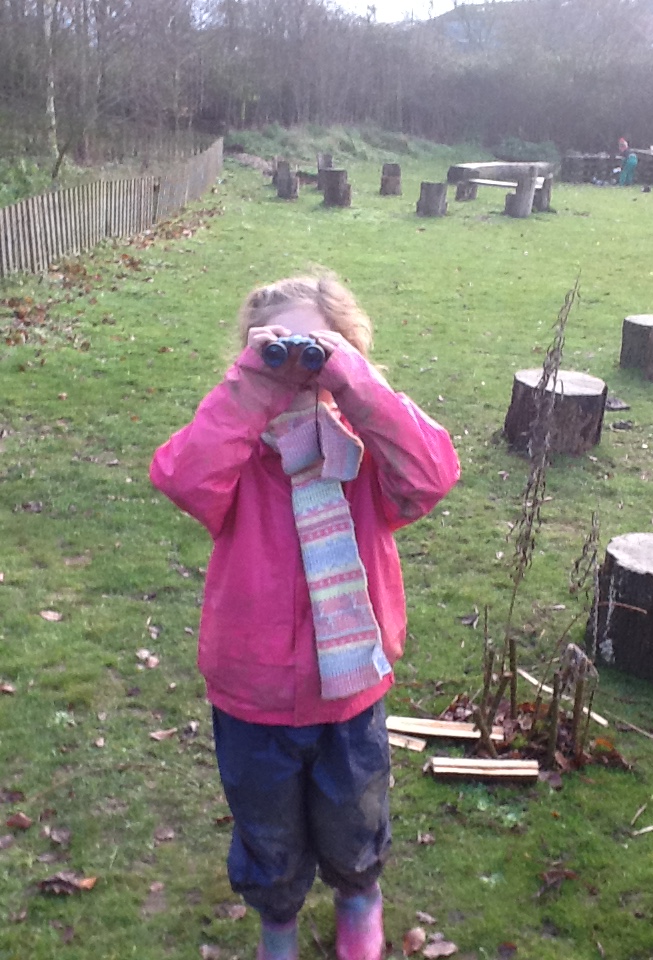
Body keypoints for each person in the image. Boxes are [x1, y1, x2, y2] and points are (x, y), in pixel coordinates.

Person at [149, 274, 460, 960]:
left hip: (349, 694)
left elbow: (433, 474)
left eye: (314, 347)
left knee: (356, 817)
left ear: (346, 353)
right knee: (269, 831)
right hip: (253, 694)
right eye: (278, 349)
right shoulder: (238, 452)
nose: (296, 367)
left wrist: (354, 383)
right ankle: (279, 929)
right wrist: (250, 388)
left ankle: (358, 900)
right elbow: (181, 477)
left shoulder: (365, 451)